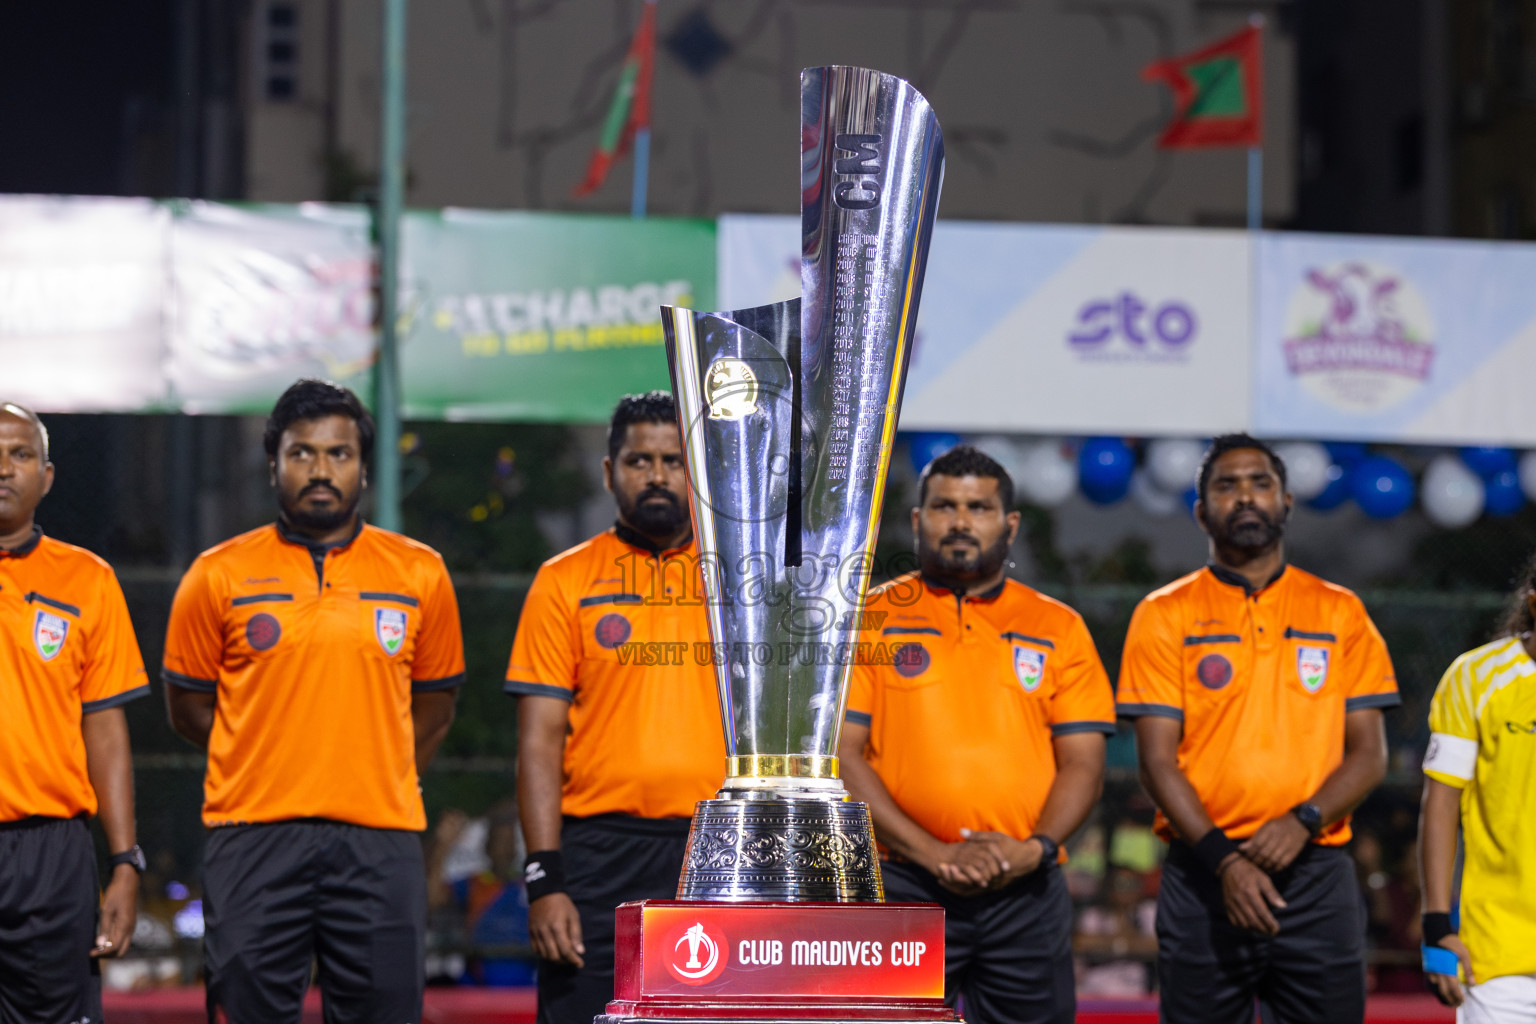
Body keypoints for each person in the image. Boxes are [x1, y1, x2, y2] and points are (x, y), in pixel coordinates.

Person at [162, 379, 465, 1024]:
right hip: (252, 837)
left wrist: (380, 772)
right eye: (302, 454)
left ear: (362, 468)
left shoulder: (420, 572)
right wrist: (260, 757)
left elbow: (437, 703)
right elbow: (186, 704)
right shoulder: (216, 573)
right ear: (273, 465)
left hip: (380, 842)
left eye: (339, 454)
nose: (321, 470)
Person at [1117, 433, 1399, 1024]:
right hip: (1203, 874)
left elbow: (1369, 755)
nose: (1245, 495)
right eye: (1227, 485)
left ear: (1287, 502)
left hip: (1317, 875)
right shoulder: (1164, 612)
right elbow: (1156, 761)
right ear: (1201, 513)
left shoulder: (1339, 610)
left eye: (1259, 483)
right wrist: (1226, 862)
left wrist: (1305, 822)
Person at [839, 445, 1114, 1024]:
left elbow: (1084, 764)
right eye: (944, 505)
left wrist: (1033, 849)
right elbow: (843, 755)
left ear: (1009, 524)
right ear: (918, 520)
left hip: (1026, 890)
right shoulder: (870, 617)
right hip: (903, 882)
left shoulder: (1059, 627)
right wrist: (932, 853)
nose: (961, 521)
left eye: (979, 507)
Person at [506, 391, 723, 1024]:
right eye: (639, 461)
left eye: (673, 461)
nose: (657, 476)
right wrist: (546, 882)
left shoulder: (742, 584)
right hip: (596, 857)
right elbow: (538, 744)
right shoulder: (564, 581)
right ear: (609, 473)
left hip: (714, 853)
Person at [0, 402, 148, 1023]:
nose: (3, 469)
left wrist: (124, 861)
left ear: (47, 476)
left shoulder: (87, 580)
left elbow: (105, 728)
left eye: (20, 454)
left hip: (49, 853)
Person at [1418, 551, 1536, 1021]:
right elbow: (1441, 805)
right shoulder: (1476, 677)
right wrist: (1435, 927)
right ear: (1534, 601)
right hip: (1496, 959)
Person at [427, 802, 536, 986]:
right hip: (480, 976)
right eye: (498, 841)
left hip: (527, 975)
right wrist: (442, 847)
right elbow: (433, 899)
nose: (503, 848)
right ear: (487, 846)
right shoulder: (473, 884)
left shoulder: (530, 883)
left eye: (508, 842)